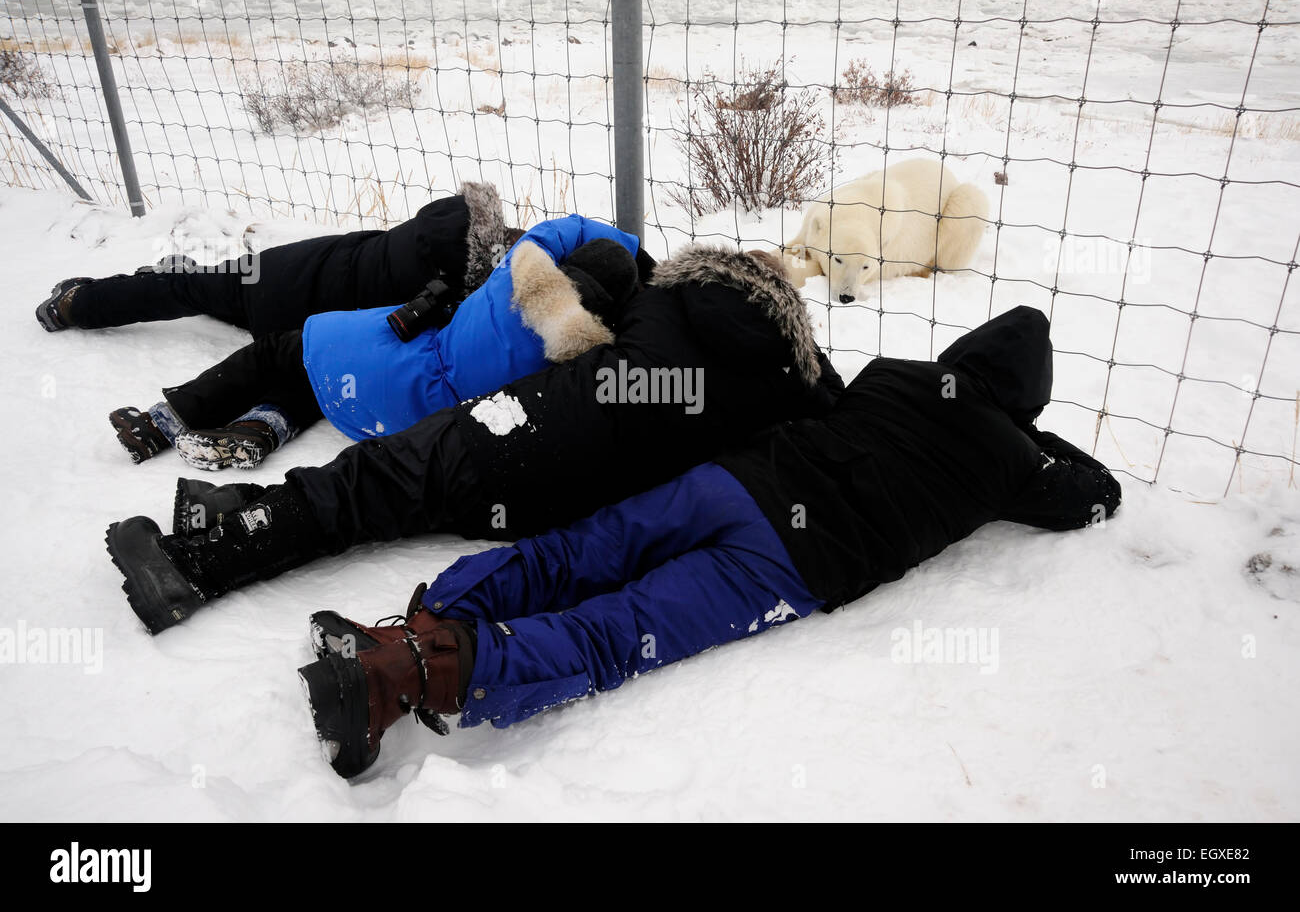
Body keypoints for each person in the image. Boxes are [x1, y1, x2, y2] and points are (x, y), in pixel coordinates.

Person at [292, 306, 1123, 779]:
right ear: (1026, 407)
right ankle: (404, 676)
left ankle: (412, 628)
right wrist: (1027, 437)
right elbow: (1097, 496)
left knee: (575, 554)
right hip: (794, 558)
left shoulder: (897, 372)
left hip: (733, 483)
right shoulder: (1016, 461)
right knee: (618, 631)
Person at [105, 246, 844, 634]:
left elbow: (585, 322)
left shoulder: (667, 296)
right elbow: (831, 407)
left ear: (714, 272)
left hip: (521, 428)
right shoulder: (784, 383)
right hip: (568, 505)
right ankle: (228, 507)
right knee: (389, 496)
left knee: (372, 483)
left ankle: (192, 568)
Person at [106, 217, 644, 469]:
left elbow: (553, 231)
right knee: (320, 385)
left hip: (393, 356)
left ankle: (162, 420)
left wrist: (632, 248)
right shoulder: (585, 364)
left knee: (278, 353)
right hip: (407, 422)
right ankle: (262, 427)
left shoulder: (514, 279)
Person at [38, 182, 590, 337]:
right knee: (196, 289)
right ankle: (79, 306)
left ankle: (103, 292)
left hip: (295, 269)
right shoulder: (456, 290)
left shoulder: (445, 225)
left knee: (200, 286)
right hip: (290, 299)